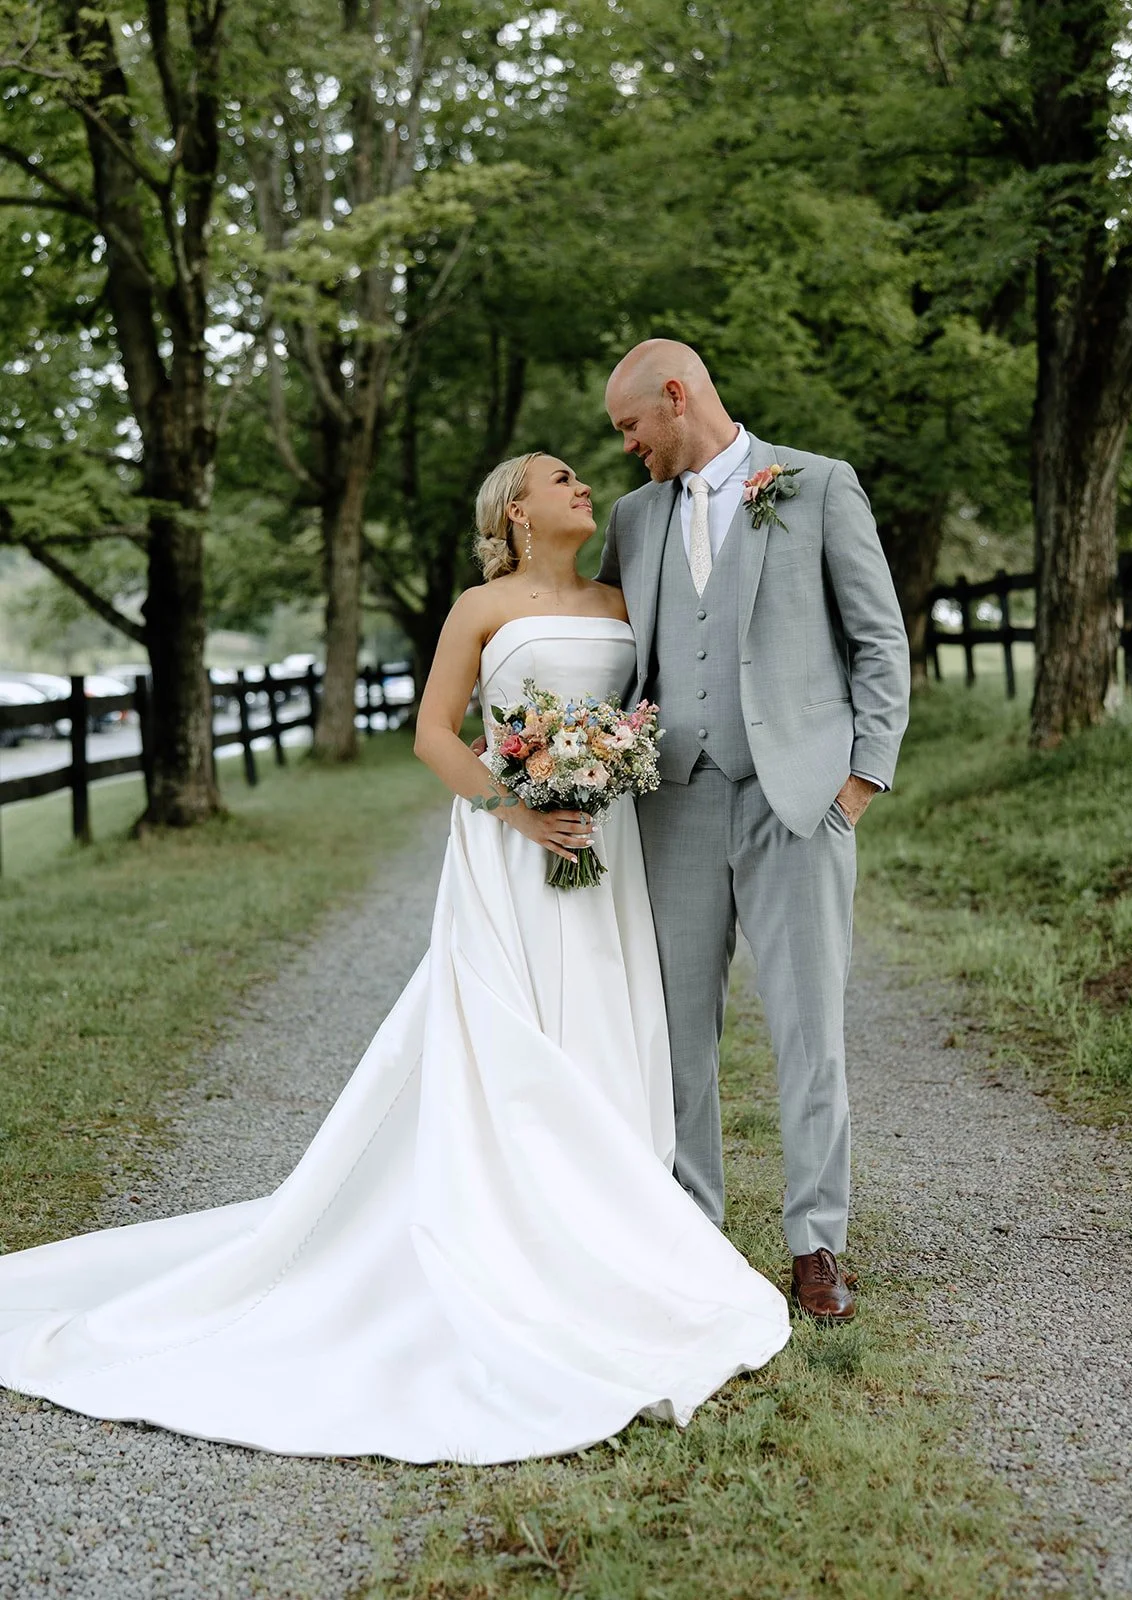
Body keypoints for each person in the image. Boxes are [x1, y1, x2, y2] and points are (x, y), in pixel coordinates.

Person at [0, 452, 790, 1466]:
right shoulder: (477, 606)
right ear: (514, 507)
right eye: (560, 477)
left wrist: (601, 772)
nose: (582, 484)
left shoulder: (620, 593)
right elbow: (432, 733)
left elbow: (664, 694)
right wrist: (520, 807)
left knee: (605, 1016)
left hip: (608, 840)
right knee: (508, 1028)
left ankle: (609, 1227)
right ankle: (506, 1232)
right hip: (512, 846)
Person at [599, 340, 910, 1322]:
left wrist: (858, 784)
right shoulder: (633, 518)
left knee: (807, 1029)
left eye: (631, 427)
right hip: (672, 804)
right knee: (677, 1031)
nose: (627, 448)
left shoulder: (817, 487)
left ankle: (816, 1245)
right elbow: (613, 655)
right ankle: (692, 1234)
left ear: (677, 398)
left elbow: (879, 637)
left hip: (799, 802)